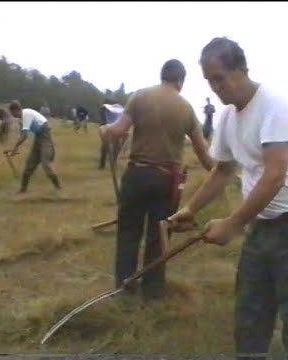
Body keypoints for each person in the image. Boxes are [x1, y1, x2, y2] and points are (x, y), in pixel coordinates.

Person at [168, 37, 288, 360]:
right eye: (210, 81)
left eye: (220, 78)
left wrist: (232, 224)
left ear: (242, 70)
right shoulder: (228, 117)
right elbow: (222, 171)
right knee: (250, 316)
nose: (215, 87)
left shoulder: (275, 105)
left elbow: (275, 175)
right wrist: (190, 208)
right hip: (261, 225)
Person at [98, 59, 214, 301]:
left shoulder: (140, 97)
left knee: (129, 231)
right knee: (158, 235)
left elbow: (118, 131)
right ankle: (153, 292)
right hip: (166, 181)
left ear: (162, 76)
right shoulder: (186, 108)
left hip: (137, 174)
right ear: (180, 81)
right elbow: (203, 153)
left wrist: (105, 131)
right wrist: (222, 172)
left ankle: (124, 288)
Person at [6, 100, 62, 195]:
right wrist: (15, 148)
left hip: (44, 135)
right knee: (30, 164)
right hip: (38, 137)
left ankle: (58, 188)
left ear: (15, 110)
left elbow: (24, 136)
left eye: (11, 113)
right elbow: (22, 134)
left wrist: (15, 148)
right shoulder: (22, 119)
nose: (12, 115)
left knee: (45, 163)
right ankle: (23, 189)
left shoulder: (26, 114)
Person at [98, 103, 125, 170]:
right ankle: (105, 163)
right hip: (111, 129)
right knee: (109, 146)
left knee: (109, 146)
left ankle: (105, 163)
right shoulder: (119, 111)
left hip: (112, 128)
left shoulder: (117, 112)